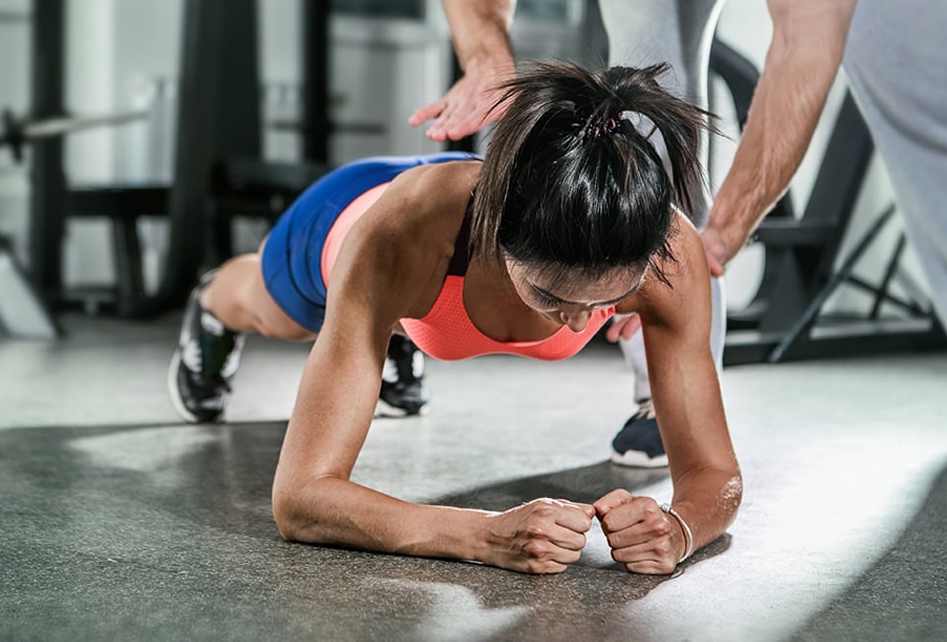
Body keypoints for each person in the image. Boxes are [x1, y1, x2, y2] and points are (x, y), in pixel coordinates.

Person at [411, 0, 947, 464]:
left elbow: (804, 45)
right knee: (644, 107)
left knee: (938, 120)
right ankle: (665, 389)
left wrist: (723, 233)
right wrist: (486, 60)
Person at [169, 62, 740, 574]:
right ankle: (214, 302)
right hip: (346, 222)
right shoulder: (403, 236)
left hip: (428, 267)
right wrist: (484, 535)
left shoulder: (671, 258)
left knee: (382, 327)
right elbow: (300, 499)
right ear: (499, 240)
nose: (576, 326)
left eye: (604, 301)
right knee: (278, 314)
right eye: (552, 295)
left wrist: (680, 529)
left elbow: (717, 474)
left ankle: (389, 334)